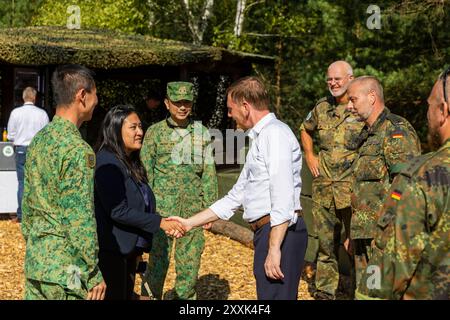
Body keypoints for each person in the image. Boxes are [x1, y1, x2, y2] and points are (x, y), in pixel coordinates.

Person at [170, 76, 308, 300]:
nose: (228, 114)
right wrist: (189, 223)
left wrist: (274, 248)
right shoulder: (261, 138)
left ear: (245, 106)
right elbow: (236, 195)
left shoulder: (275, 134)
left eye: (230, 108)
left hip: (280, 233)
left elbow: (283, 196)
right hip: (269, 232)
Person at [355, 68, 450, 300]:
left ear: (443, 111)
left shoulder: (422, 176)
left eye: (429, 105)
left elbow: (393, 264)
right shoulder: (364, 133)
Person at [21, 64, 106, 300]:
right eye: (95, 93)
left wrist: (37, 246)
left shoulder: (39, 140)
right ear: (82, 95)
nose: (97, 100)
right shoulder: (77, 150)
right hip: (68, 269)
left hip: (37, 262)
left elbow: (27, 206)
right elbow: (79, 218)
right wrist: (92, 272)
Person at [94, 105, 186, 300]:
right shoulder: (107, 162)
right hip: (111, 252)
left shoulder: (130, 161)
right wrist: (159, 222)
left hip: (128, 251)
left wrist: (139, 249)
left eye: (140, 127)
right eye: (133, 127)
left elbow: (141, 202)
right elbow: (117, 210)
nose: (140, 132)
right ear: (115, 129)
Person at [140, 81, 218, 300]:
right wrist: (148, 210)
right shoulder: (154, 133)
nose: (182, 107)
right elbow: (146, 174)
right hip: (161, 213)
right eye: (177, 103)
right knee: (157, 263)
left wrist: (209, 209)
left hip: (192, 212)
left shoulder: (201, 132)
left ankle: (185, 301)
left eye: (187, 103)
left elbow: (208, 172)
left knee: (189, 266)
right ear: (167, 103)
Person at [346, 76, 421, 291]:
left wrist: (388, 233)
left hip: (384, 238)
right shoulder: (367, 135)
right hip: (365, 234)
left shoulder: (396, 132)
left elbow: (405, 186)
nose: (349, 106)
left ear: (372, 97)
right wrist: (353, 232)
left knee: (380, 292)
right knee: (368, 292)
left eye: (353, 99)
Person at [299, 61, 363, 299]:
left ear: (350, 79)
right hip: (325, 188)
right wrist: (309, 155)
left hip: (354, 191)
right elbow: (305, 129)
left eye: (338, 79)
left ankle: (360, 291)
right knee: (326, 246)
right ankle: (326, 292)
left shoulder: (360, 107)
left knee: (357, 245)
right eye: (330, 79)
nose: (333, 84)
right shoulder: (321, 107)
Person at [6, 87, 49, 223]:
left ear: (23, 98)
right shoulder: (42, 114)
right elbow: (46, 135)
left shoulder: (15, 113)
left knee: (22, 182)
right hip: (37, 150)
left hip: (21, 150)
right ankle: (37, 214)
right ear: (35, 98)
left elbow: (10, 135)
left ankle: (21, 215)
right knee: (37, 183)